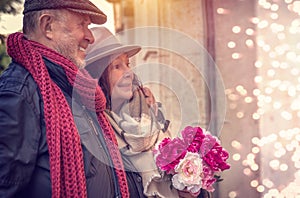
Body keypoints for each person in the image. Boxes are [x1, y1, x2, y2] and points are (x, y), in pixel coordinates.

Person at [0, 0, 144, 197]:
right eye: (82, 25)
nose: (90, 36)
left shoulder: (75, 89)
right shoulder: (20, 93)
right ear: (48, 26)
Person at [85, 27, 211, 198]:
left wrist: (192, 190)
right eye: (116, 66)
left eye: (127, 64)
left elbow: (177, 173)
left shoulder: (148, 113)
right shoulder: (91, 131)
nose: (128, 73)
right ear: (96, 75)